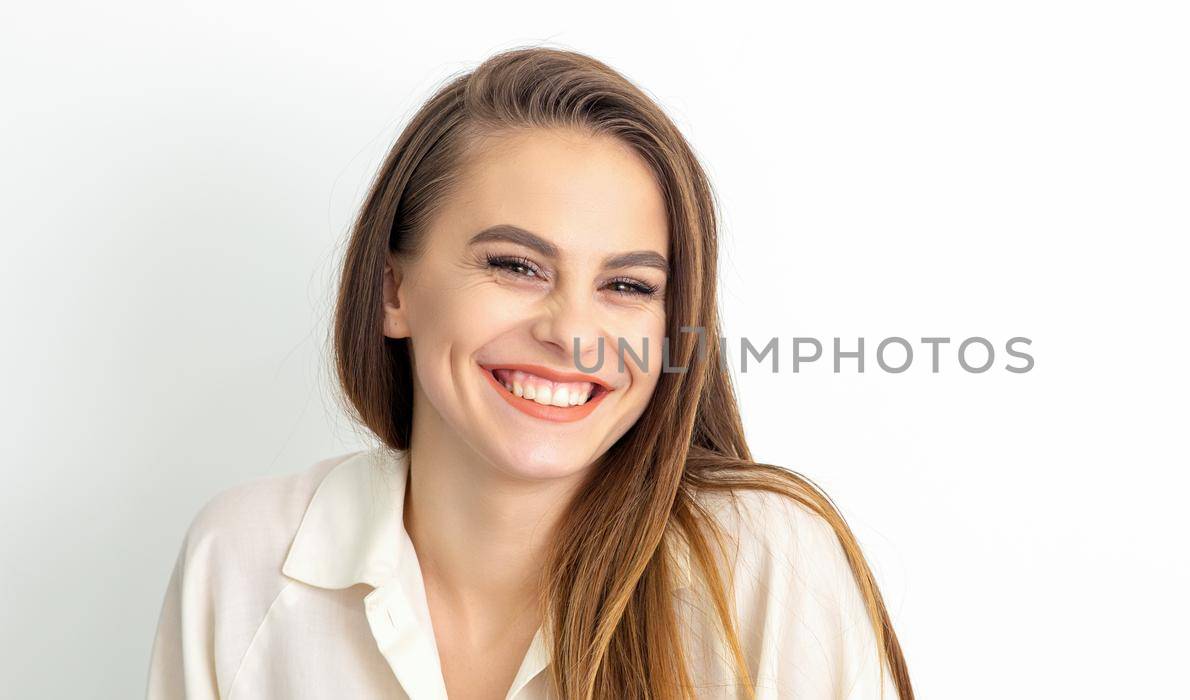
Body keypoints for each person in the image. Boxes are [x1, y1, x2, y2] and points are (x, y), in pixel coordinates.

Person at [144, 46, 913, 700]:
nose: (572, 333)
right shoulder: (244, 557)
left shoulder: (765, 565)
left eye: (628, 286)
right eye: (515, 266)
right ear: (393, 291)